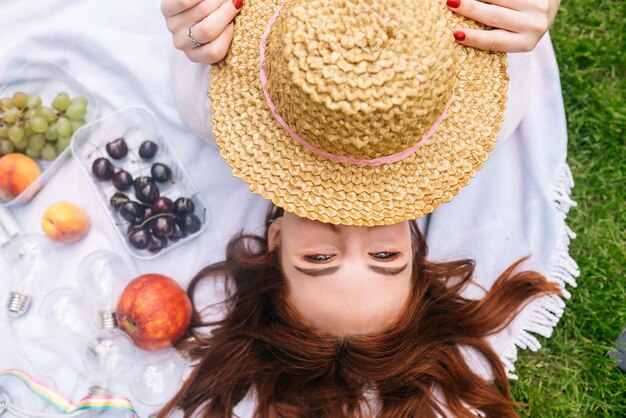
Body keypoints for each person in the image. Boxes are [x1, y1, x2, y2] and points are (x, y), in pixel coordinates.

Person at [157, 0, 578, 415]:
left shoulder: (207, 99)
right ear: (414, 247)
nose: (355, 230)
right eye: (384, 256)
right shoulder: (497, 110)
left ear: (277, 240)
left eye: (320, 257)